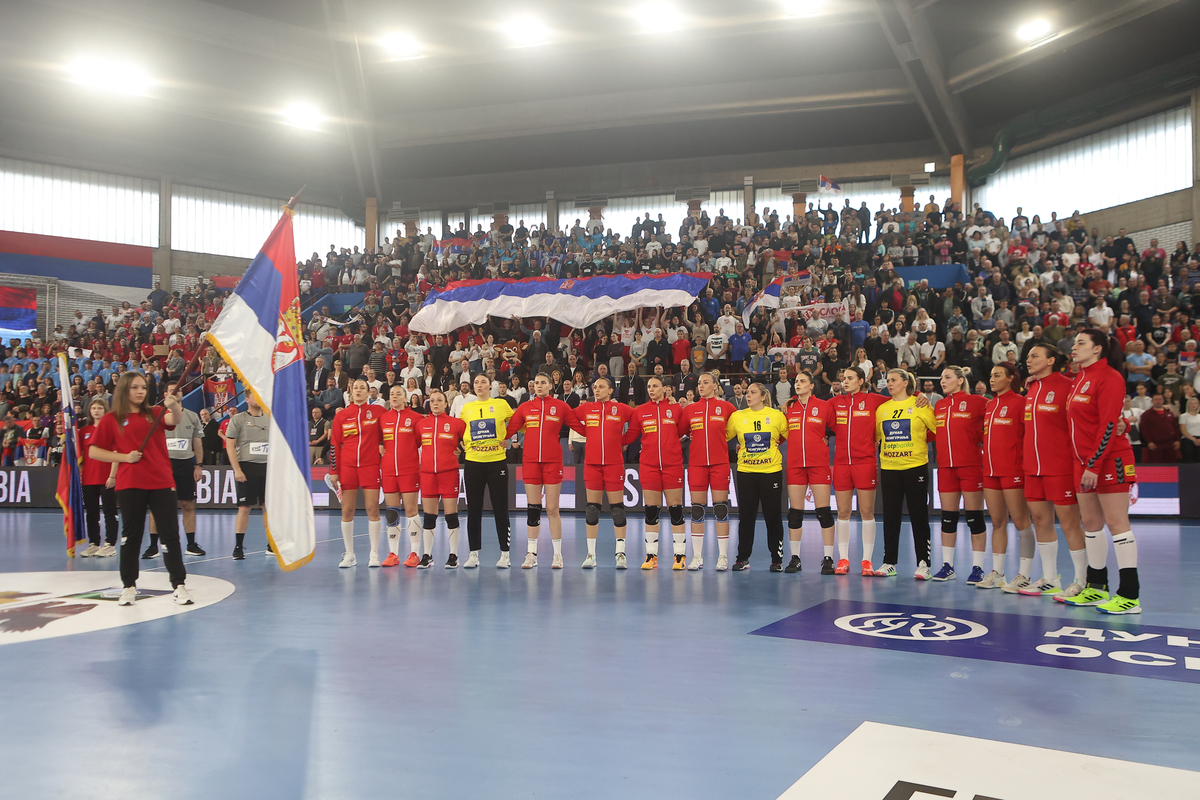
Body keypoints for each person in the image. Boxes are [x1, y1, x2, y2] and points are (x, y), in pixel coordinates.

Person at [87, 372, 193, 606]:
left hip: (161, 482)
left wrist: (174, 406)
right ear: (124, 390)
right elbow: (94, 451)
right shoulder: (111, 419)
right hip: (130, 483)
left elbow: (173, 420)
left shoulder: (155, 414)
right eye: (135, 387)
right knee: (130, 537)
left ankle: (179, 585)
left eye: (143, 387)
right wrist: (124, 457)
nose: (140, 391)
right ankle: (128, 586)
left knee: (170, 535)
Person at [1064, 329, 1142, 614]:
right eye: (1074, 342)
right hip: (1082, 462)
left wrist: (1094, 465)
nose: (1074, 347)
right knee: (1091, 524)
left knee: (1117, 523)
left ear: (1097, 349)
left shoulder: (1110, 377)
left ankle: (1130, 596)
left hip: (1109, 461)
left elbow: (1109, 425)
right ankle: (1096, 588)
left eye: (1080, 343)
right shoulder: (1078, 379)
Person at [1020, 343, 1088, 598]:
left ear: (1050, 360)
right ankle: (1050, 578)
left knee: (1070, 523)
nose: (1029, 360)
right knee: (1040, 520)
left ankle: (1081, 580)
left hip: (1060, 466)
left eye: (1035, 356)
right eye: (1027, 357)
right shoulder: (1031, 388)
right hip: (1032, 467)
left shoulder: (1067, 386)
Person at [506, 373, 579, 569]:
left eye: (543, 383)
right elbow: (508, 430)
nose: (538, 386)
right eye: (536, 383)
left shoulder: (561, 407)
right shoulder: (525, 407)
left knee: (552, 509)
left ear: (550, 385)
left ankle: (557, 555)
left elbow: (580, 426)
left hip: (553, 462)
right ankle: (531, 554)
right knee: (533, 508)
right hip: (530, 463)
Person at [875, 369, 937, 579]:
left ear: (905, 383)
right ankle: (889, 562)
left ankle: (924, 563)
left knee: (919, 516)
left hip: (915, 467)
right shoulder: (882, 409)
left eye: (893, 380)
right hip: (889, 468)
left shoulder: (920, 404)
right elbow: (878, 437)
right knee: (890, 517)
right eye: (888, 380)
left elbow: (937, 429)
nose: (889, 383)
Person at [980, 363, 1037, 592]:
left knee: (1022, 522)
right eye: (991, 375)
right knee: (997, 522)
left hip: (1013, 471)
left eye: (997, 375)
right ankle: (997, 572)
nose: (992, 379)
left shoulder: (1021, 402)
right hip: (990, 472)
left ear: (1011, 378)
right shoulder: (990, 404)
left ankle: (1024, 574)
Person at [931, 366, 988, 584]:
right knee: (948, 518)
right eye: (941, 378)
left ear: (961, 380)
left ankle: (978, 567)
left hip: (971, 466)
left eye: (947, 377)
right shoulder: (940, 405)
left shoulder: (978, 402)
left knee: (974, 517)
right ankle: (947, 566)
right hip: (946, 467)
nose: (942, 381)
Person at [570, 376, 635, 568]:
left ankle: (620, 553)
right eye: (594, 387)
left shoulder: (621, 408)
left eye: (601, 387)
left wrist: (623, 440)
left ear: (610, 390)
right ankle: (591, 554)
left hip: (614, 465)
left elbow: (639, 419)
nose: (596, 390)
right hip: (592, 465)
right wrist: (585, 432)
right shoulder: (587, 408)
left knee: (617, 510)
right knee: (592, 509)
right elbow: (569, 417)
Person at [828, 367, 886, 575]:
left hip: (866, 462)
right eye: (843, 378)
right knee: (843, 512)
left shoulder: (873, 400)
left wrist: (919, 395)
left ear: (861, 381)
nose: (845, 381)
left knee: (866, 512)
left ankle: (866, 561)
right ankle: (843, 559)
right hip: (842, 463)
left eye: (850, 378)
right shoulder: (835, 403)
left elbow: (899, 399)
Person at [624, 375, 687, 569]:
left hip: (672, 465)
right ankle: (651, 556)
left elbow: (682, 431)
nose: (651, 389)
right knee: (651, 510)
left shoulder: (676, 409)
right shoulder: (640, 411)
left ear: (665, 388)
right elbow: (631, 436)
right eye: (649, 386)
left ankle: (680, 556)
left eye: (655, 386)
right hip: (649, 466)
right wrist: (607, 439)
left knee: (675, 509)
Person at [727, 382, 788, 571]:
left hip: (771, 472)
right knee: (746, 517)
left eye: (753, 392)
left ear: (763, 396)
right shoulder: (737, 416)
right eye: (747, 392)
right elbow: (724, 436)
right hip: (746, 472)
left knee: (773, 517)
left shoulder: (777, 416)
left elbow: (784, 436)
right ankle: (742, 558)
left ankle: (776, 559)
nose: (748, 395)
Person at [680, 372, 736, 570]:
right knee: (697, 510)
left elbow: (738, 428)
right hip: (696, 464)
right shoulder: (690, 410)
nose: (701, 386)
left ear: (715, 385)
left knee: (721, 508)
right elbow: (681, 432)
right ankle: (697, 556)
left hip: (720, 463)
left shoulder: (727, 407)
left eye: (706, 383)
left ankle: (722, 557)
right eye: (699, 383)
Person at [459, 373, 515, 568]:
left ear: (490, 386)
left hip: (496, 462)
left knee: (500, 508)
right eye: (476, 382)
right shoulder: (467, 408)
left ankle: (505, 554)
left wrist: (509, 438)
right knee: (473, 509)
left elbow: (518, 422)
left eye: (483, 382)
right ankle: (473, 554)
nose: (479, 385)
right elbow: (460, 430)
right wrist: (461, 442)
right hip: (473, 462)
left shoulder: (501, 405)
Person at [145, 378, 206, 558]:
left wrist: (199, 465)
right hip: (161, 465)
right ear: (165, 394)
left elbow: (198, 444)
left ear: (182, 393)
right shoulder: (156, 414)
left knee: (187, 504)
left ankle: (191, 544)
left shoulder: (193, 416)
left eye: (178, 390)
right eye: (171, 390)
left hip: (184, 464)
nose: (175, 392)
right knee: (156, 506)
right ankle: (153, 546)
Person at [327, 379, 383, 568]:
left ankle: (374, 553)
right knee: (347, 510)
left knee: (372, 509)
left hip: (370, 466)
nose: (358, 390)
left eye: (362, 388)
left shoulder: (378, 413)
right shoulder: (342, 415)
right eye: (355, 388)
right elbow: (334, 444)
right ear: (350, 392)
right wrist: (334, 471)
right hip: (348, 468)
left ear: (369, 393)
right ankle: (349, 554)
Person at [783, 371, 835, 574]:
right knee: (795, 514)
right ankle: (795, 558)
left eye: (802, 381)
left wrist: (826, 437)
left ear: (811, 385)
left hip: (819, 464)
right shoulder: (789, 407)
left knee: (823, 512)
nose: (798, 384)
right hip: (795, 465)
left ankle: (828, 558)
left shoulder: (823, 406)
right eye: (796, 381)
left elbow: (836, 427)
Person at [416, 390, 466, 568]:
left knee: (451, 515)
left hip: (448, 473)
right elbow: (413, 445)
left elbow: (467, 441)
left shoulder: (456, 424)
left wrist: (462, 450)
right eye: (432, 401)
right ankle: (427, 555)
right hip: (428, 474)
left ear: (446, 404)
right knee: (429, 516)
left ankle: (454, 555)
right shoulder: (421, 425)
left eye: (439, 401)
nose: (435, 403)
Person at [225, 393, 276, 561]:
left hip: (267, 468)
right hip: (247, 467)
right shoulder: (238, 419)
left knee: (267, 508)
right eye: (255, 396)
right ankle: (238, 547)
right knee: (244, 508)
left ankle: (271, 545)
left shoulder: (270, 419)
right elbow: (230, 445)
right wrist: (237, 470)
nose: (259, 398)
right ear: (246, 399)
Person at [379, 384, 424, 567]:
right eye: (392, 394)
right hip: (389, 471)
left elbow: (424, 442)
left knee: (411, 511)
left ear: (406, 398)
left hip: (409, 470)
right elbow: (379, 442)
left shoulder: (416, 418)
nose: (395, 396)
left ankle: (414, 553)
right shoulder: (383, 418)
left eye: (399, 394)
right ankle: (393, 554)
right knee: (392, 512)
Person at [78, 397, 119, 558]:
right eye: (93, 408)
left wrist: (112, 475)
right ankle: (93, 543)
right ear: (89, 411)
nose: (96, 410)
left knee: (109, 511)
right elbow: (80, 455)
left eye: (100, 408)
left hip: (106, 477)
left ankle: (110, 544)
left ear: (105, 411)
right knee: (91, 513)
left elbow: (116, 454)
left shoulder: (111, 429)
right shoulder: (84, 431)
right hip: (88, 478)